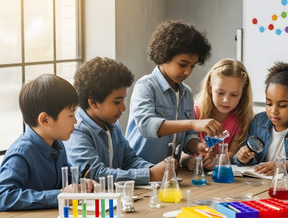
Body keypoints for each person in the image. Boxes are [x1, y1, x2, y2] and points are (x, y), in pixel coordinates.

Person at [126, 20, 219, 164]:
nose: (188, 71)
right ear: (164, 55)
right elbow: (146, 125)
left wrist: (199, 147)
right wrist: (192, 123)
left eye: (192, 66)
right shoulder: (145, 86)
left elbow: (188, 136)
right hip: (140, 171)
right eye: (182, 64)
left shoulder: (186, 93)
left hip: (171, 173)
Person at [0, 74, 95, 211]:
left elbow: (66, 181)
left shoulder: (57, 145)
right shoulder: (21, 154)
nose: (75, 121)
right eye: (70, 115)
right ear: (45, 120)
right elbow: (3, 196)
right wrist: (59, 196)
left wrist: (82, 184)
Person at [64, 57, 165, 184]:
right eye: (117, 102)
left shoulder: (112, 124)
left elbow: (129, 160)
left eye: (123, 99)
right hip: (89, 203)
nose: (123, 108)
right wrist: (149, 175)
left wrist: (155, 169)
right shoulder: (77, 131)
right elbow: (95, 174)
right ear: (93, 103)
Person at [233, 62, 288, 175]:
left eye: (282, 105)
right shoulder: (258, 121)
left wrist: (286, 165)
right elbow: (248, 156)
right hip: (262, 183)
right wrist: (243, 157)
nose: (273, 111)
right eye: (269, 103)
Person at [181, 59, 254, 170]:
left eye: (234, 95)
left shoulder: (241, 119)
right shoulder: (194, 113)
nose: (226, 100)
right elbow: (178, 151)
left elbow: (232, 153)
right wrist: (187, 160)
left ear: (242, 93)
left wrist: (217, 160)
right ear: (210, 88)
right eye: (220, 93)